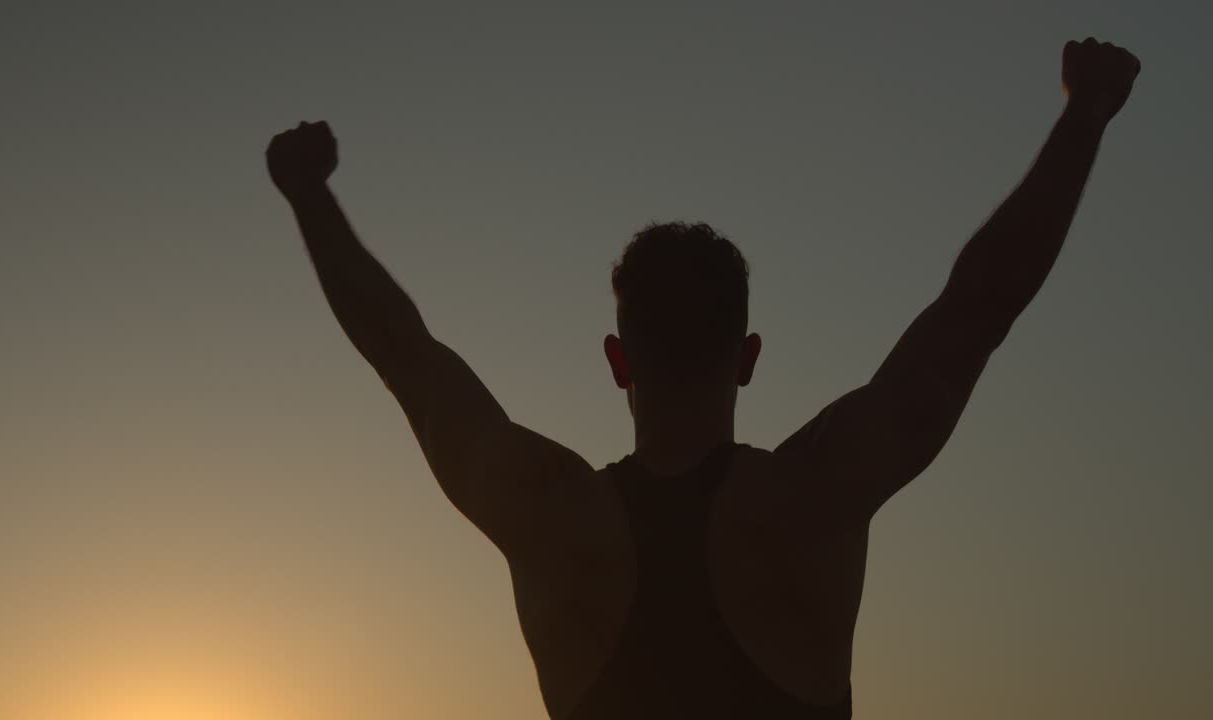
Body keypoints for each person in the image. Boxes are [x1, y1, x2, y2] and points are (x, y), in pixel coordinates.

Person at [265, 37, 1140, 720]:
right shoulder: (813, 494)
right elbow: (977, 312)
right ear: (748, 357)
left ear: (618, 363)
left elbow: (406, 357)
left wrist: (308, 195)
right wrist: (1086, 112)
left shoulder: (551, 514)